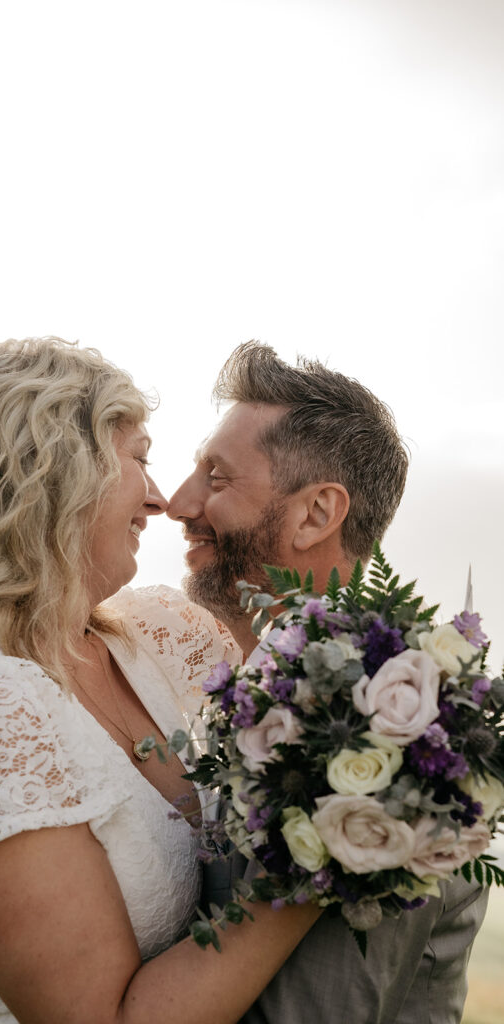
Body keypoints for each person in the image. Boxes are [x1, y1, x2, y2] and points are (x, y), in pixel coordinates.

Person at [0, 336, 320, 1024]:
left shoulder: (157, 634)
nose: (157, 498)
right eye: (139, 458)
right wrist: (319, 866)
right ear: (55, 473)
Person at [166, 340, 489, 1024]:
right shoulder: (236, 676)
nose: (177, 501)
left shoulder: (393, 735)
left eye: (216, 478)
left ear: (315, 513)